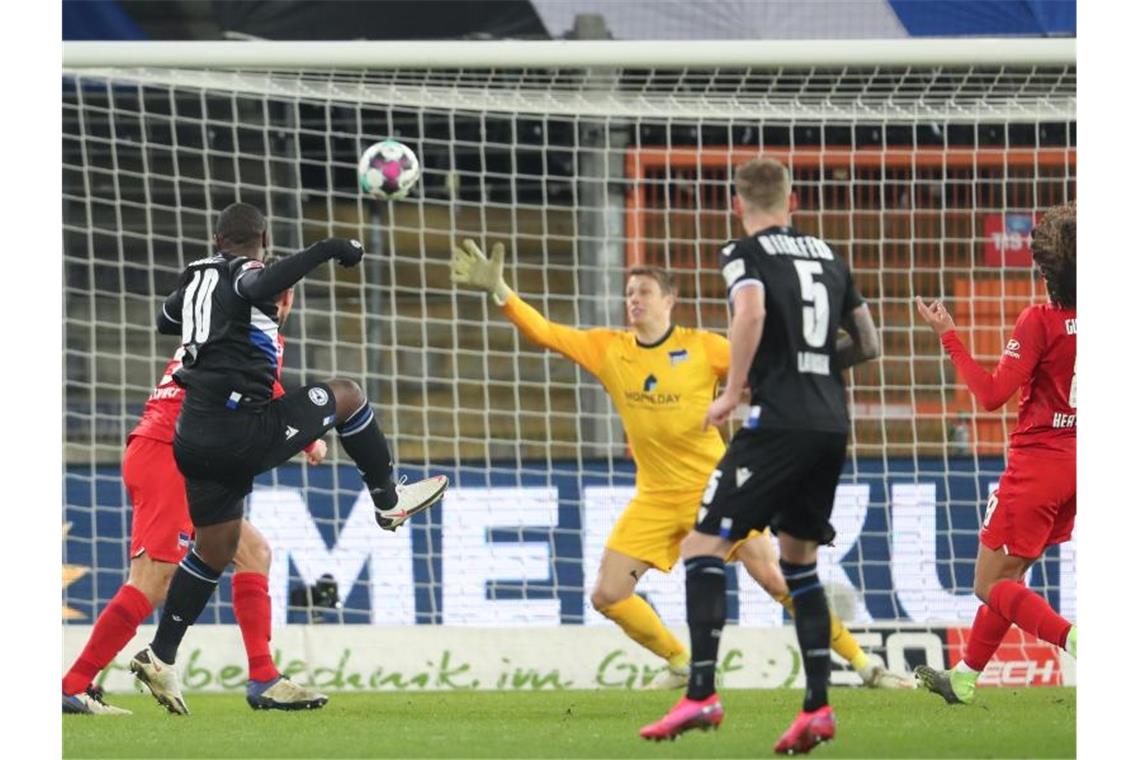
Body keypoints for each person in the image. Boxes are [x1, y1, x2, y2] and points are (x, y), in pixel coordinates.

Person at [450, 238, 904, 692]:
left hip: (717, 490)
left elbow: (769, 364)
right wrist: (502, 292)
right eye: (630, 293)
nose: (634, 300)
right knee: (608, 595)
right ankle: (681, 662)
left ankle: (867, 667)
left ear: (669, 301)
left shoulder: (703, 348)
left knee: (776, 578)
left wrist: (827, 351)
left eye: (644, 291)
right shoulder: (611, 350)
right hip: (656, 497)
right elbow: (546, 333)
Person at [129, 203, 448, 715]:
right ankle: (389, 500)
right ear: (262, 240)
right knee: (347, 394)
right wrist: (328, 250)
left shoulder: (195, 279)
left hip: (193, 437)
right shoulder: (248, 272)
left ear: (217, 238)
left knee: (217, 548)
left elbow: (166, 318)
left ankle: (162, 655)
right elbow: (255, 285)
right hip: (240, 430)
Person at [637, 157, 881, 754]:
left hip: (778, 423)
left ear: (736, 202)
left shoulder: (743, 252)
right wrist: (815, 365)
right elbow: (870, 344)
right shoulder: (830, 256)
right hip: (830, 424)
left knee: (704, 545)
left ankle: (701, 692)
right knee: (797, 563)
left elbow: (750, 312)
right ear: (793, 201)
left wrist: (732, 390)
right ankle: (818, 708)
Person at [62, 264, 331, 716]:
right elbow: (261, 389)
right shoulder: (252, 332)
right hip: (168, 451)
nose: (283, 303)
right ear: (284, 300)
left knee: (252, 552)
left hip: (170, 451)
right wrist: (307, 434)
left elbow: (260, 387)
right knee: (154, 579)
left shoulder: (223, 322)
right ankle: (74, 684)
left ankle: (263, 676)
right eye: (285, 296)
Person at [914, 202, 1076, 705]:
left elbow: (989, 396)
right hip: (1079, 463)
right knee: (1010, 578)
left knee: (988, 584)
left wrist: (950, 338)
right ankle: (963, 677)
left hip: (1038, 466)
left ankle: (1075, 639)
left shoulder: (1039, 321)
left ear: (1045, 266)